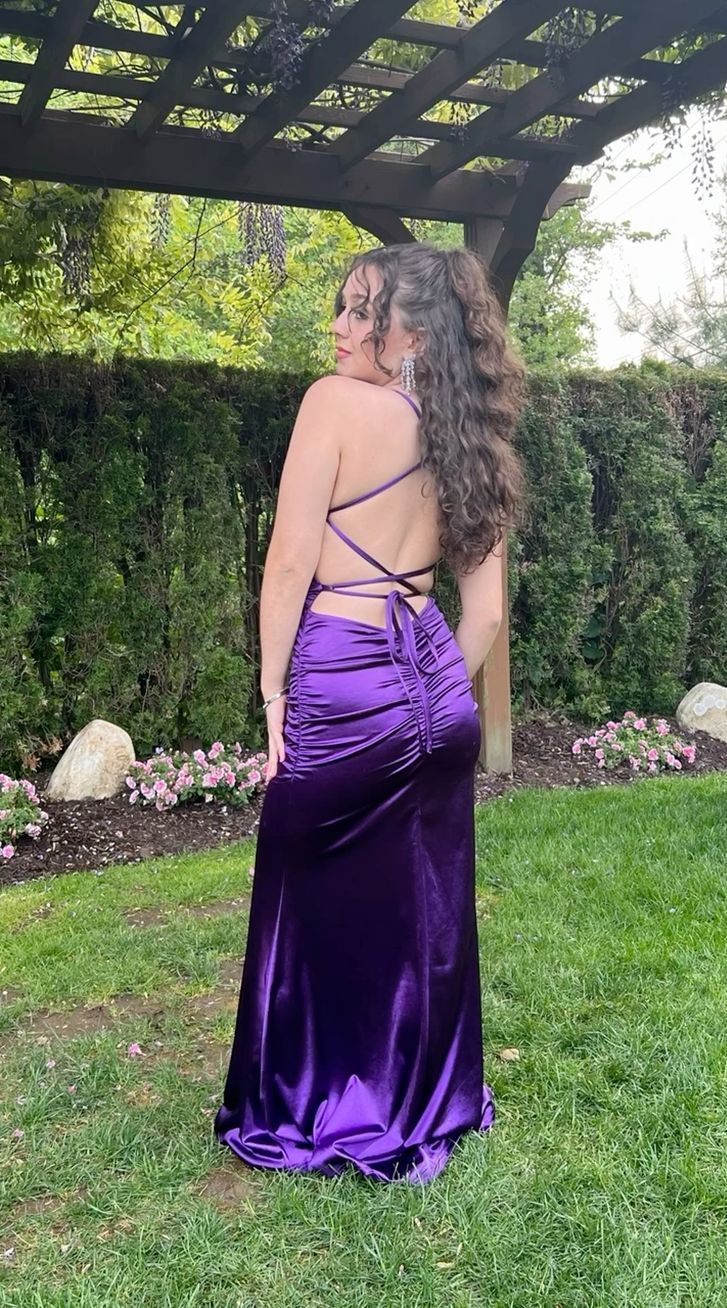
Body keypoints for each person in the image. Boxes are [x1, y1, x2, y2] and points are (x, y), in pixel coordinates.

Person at [214, 241, 527, 1184]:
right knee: (419, 910)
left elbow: (288, 564)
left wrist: (273, 693)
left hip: (343, 677)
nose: (340, 328)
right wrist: (428, 695)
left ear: (413, 336)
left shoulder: (331, 404)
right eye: (343, 307)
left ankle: (309, 1104)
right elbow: (486, 615)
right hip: (432, 689)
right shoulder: (470, 439)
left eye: (363, 312)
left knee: (306, 897)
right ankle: (424, 1098)